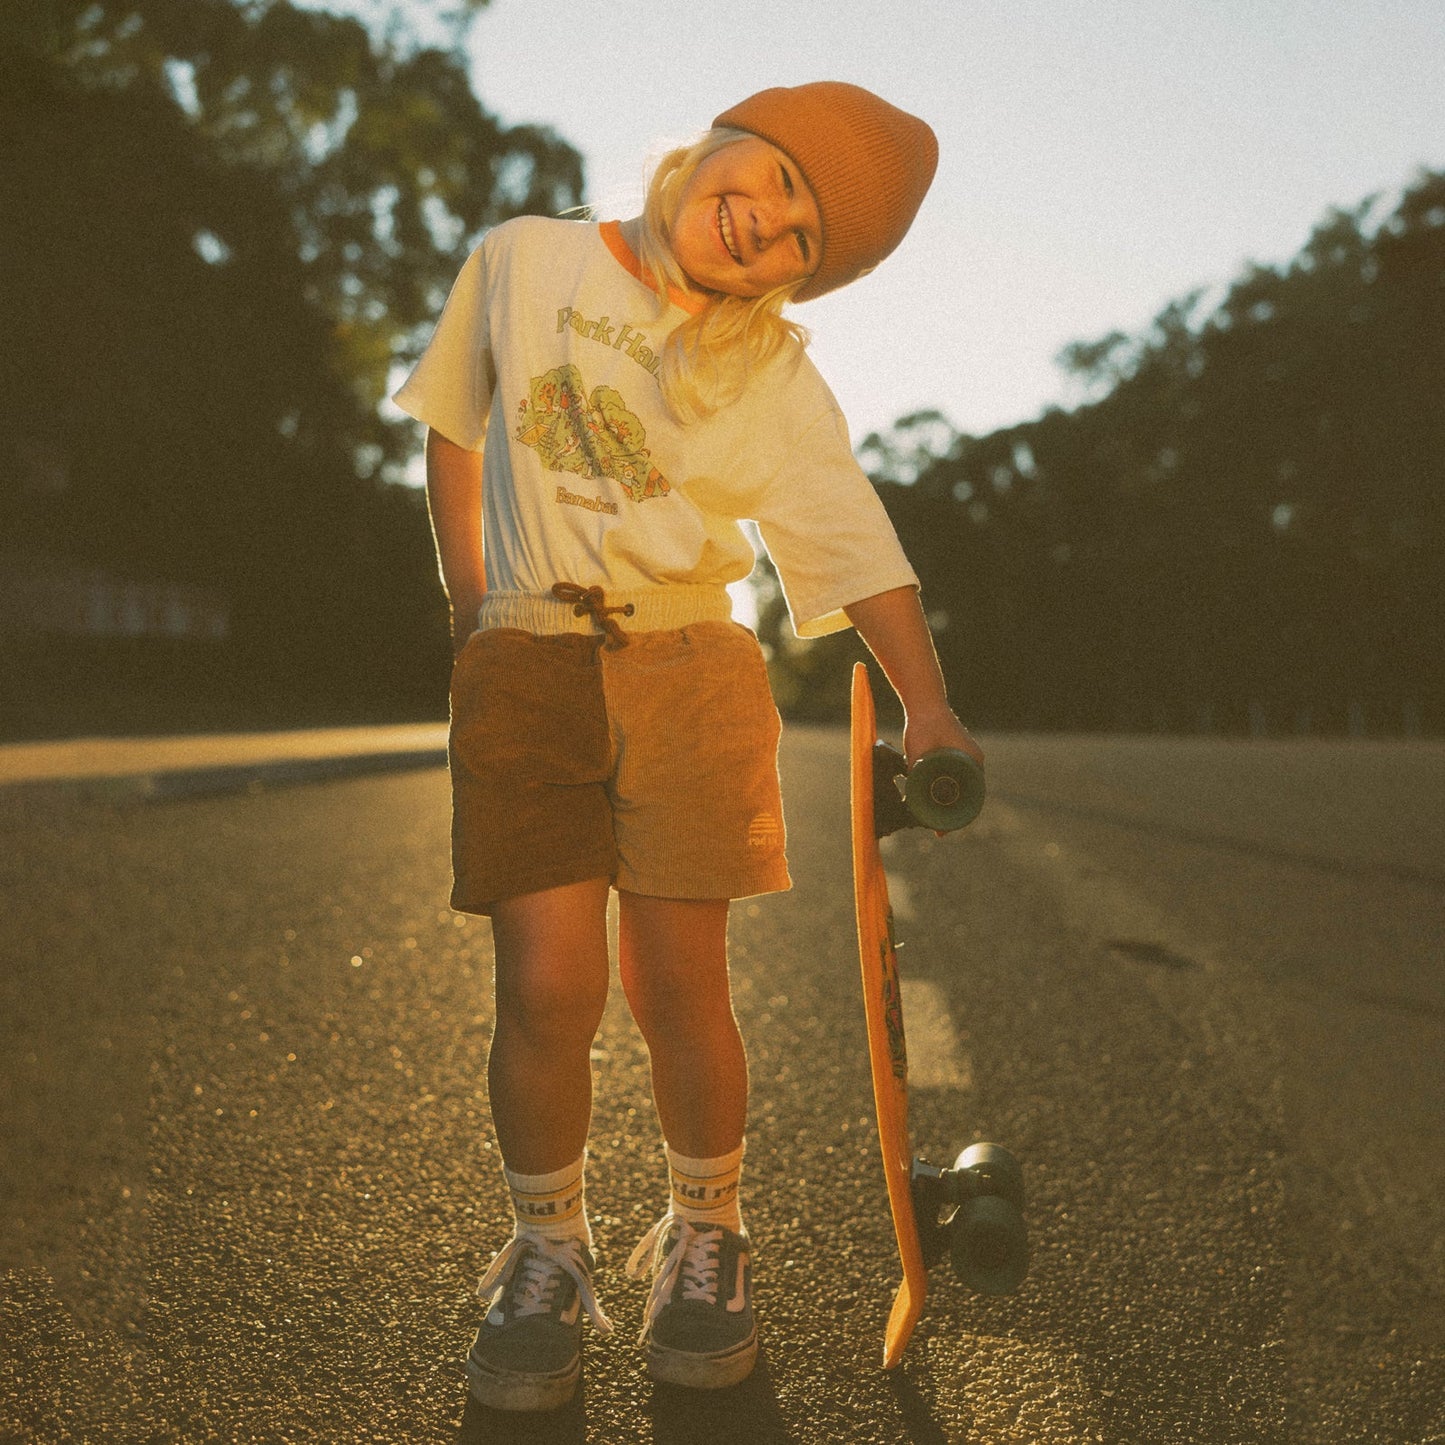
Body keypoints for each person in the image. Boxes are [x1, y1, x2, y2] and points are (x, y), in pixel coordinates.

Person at [393, 80, 983, 1412]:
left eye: (800, 239)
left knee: (678, 986)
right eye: (773, 178)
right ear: (719, 136)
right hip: (529, 659)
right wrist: (472, 612)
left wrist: (924, 702)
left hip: (693, 668)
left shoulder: (764, 368)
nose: (766, 225)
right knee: (545, 986)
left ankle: (704, 1233)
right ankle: (546, 1249)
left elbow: (842, 534)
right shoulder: (521, 260)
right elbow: (451, 426)